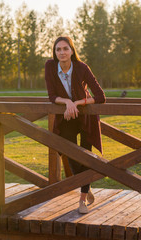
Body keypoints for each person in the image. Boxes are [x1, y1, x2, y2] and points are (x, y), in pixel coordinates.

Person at [45, 36, 106, 214]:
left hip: (86, 117)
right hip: (67, 118)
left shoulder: (81, 67)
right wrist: (67, 102)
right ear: (55, 52)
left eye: (65, 48)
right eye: (58, 49)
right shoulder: (50, 66)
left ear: (72, 50)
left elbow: (101, 97)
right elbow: (51, 96)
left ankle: (82, 200)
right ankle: (85, 186)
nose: (62, 52)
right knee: (71, 154)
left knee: (86, 156)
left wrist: (77, 103)